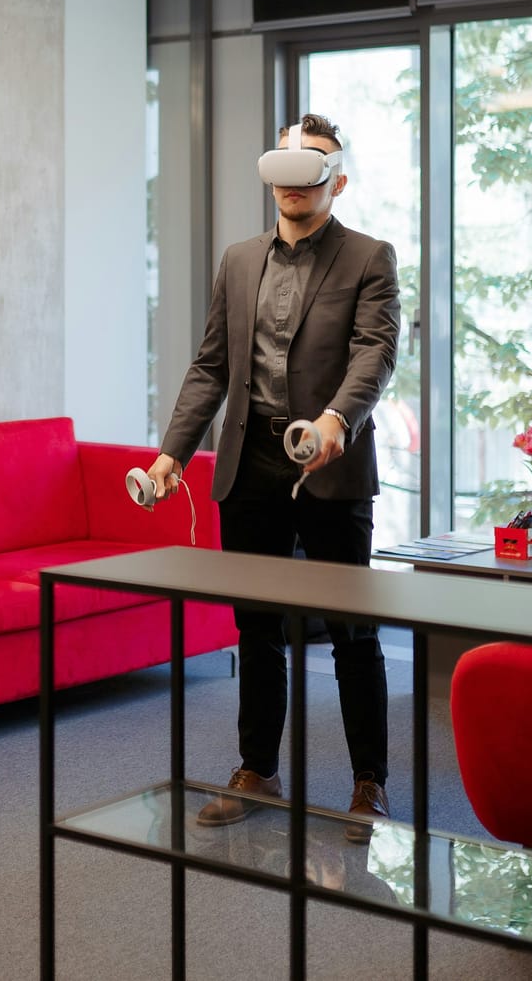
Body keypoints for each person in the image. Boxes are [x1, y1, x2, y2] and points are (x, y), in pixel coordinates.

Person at [146, 112, 401, 842]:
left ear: (337, 179)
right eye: (286, 164)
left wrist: (335, 422)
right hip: (250, 463)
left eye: (312, 165)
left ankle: (368, 783)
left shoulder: (369, 257)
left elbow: (374, 354)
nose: (295, 180)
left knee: (353, 631)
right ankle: (257, 767)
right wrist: (172, 452)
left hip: (331, 462)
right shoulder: (237, 259)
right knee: (256, 626)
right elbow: (211, 366)